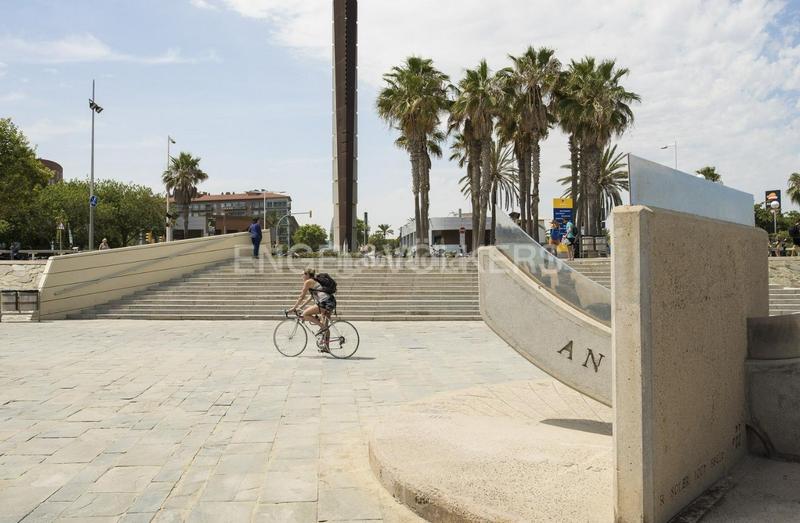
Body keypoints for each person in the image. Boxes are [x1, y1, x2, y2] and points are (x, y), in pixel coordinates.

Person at [289, 268, 337, 345]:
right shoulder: (315, 281)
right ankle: (326, 347)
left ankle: (324, 328)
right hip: (330, 302)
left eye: (303, 274)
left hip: (325, 303)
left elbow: (301, 296)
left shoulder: (308, 281)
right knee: (324, 325)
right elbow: (310, 297)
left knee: (305, 314)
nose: (302, 276)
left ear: (307, 275)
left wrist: (294, 308)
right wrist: (301, 307)